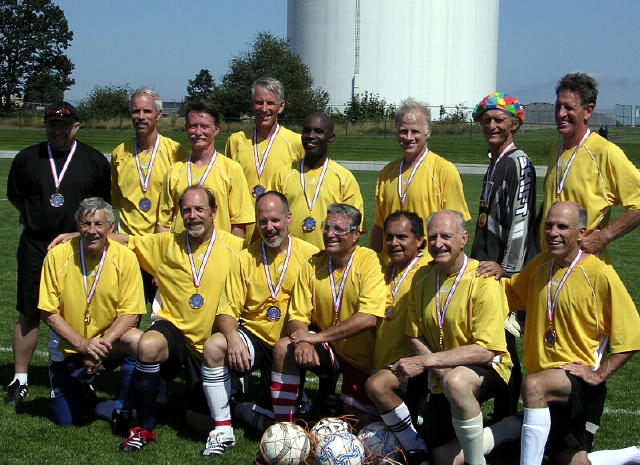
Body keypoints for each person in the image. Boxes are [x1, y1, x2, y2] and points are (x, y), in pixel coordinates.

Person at [366, 210, 513, 465]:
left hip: (489, 367)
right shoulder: (422, 277)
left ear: (463, 239)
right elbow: (414, 334)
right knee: (442, 458)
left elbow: (486, 350)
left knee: (457, 381)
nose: (438, 243)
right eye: (433, 237)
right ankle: (508, 428)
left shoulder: (484, 280)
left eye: (446, 236)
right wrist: (437, 367)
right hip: (440, 369)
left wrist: (429, 363)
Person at [506, 201, 640, 465]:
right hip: (548, 380)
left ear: (581, 233)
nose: (553, 232)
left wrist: (599, 374)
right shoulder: (540, 265)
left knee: (533, 385)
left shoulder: (600, 275)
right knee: (570, 461)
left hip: (577, 380)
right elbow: (510, 295)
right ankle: (634, 454)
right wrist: (484, 274)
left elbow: (633, 335)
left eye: (563, 227)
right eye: (549, 225)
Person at [198, 191, 318, 456]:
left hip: (289, 341)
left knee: (285, 348)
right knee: (214, 346)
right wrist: (231, 338)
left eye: (275, 220)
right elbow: (226, 311)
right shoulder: (245, 258)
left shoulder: (310, 256)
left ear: (288, 218)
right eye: (263, 221)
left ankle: (282, 432)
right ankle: (222, 430)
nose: (269, 227)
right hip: (253, 336)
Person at [6, 102, 110, 404]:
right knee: (29, 310)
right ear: (46, 126)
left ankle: (76, 375)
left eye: (64, 125)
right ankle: (20, 377)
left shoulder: (93, 160)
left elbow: (102, 204)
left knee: (78, 310)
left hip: (78, 247)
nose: (58, 130)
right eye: (52, 125)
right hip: (36, 244)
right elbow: (16, 197)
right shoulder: (28, 158)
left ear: (76, 126)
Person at [270, 204, 386, 422]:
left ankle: (331, 400)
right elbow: (297, 316)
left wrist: (316, 337)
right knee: (283, 348)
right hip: (330, 349)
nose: (330, 234)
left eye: (339, 230)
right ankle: (285, 428)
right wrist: (302, 341)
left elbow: (369, 317)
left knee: (359, 425)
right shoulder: (314, 264)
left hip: (363, 361)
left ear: (355, 235)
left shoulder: (369, 261)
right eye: (327, 227)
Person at [39, 198, 145, 426]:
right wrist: (82, 344)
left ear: (111, 228)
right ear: (77, 226)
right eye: (86, 224)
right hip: (69, 345)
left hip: (109, 342)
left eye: (99, 224)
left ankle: (123, 404)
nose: (92, 231)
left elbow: (131, 314)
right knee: (67, 421)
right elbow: (48, 312)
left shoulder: (126, 258)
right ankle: (86, 393)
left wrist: (99, 347)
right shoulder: (57, 256)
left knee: (139, 340)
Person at [540, 73, 640, 262]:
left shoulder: (605, 152)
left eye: (569, 108)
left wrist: (604, 237)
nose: (561, 113)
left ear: (588, 110)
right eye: (558, 106)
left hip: (585, 267)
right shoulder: (557, 151)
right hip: (551, 265)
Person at [370, 99, 470, 256]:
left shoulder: (444, 171)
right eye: (403, 131)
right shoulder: (386, 173)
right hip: (390, 268)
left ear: (428, 132)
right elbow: (379, 226)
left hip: (427, 267)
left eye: (415, 131)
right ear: (396, 132)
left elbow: (455, 228)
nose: (409, 137)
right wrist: (374, 260)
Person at [156, 101, 254, 239]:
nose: (198, 132)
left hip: (218, 255)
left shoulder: (232, 169)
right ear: (186, 128)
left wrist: (233, 256)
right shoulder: (174, 171)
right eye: (193, 126)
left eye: (204, 126)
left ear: (216, 129)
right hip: (181, 254)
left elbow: (239, 222)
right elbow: (164, 223)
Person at [224, 77, 303, 244]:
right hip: (244, 231)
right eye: (259, 102)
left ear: (281, 106)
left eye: (270, 103)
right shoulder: (237, 141)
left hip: (278, 231)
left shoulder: (296, 142)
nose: (264, 108)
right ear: (252, 105)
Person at [270, 113, 364, 249]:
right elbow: (271, 219)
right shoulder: (283, 174)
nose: (311, 136)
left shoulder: (344, 178)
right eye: (306, 131)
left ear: (331, 138)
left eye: (318, 131)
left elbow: (353, 229)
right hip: (288, 259)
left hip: (328, 261)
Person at [470, 92, 537, 279]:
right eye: (486, 120)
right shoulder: (496, 161)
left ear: (514, 124)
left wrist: (508, 269)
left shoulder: (519, 162)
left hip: (503, 271)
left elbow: (521, 220)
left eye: (499, 120)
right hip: (485, 264)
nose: (492, 126)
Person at [111, 88, 188, 236]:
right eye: (135, 111)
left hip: (162, 240)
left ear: (158, 115)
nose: (140, 116)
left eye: (147, 111)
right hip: (128, 241)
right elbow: (116, 201)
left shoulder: (176, 152)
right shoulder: (119, 153)